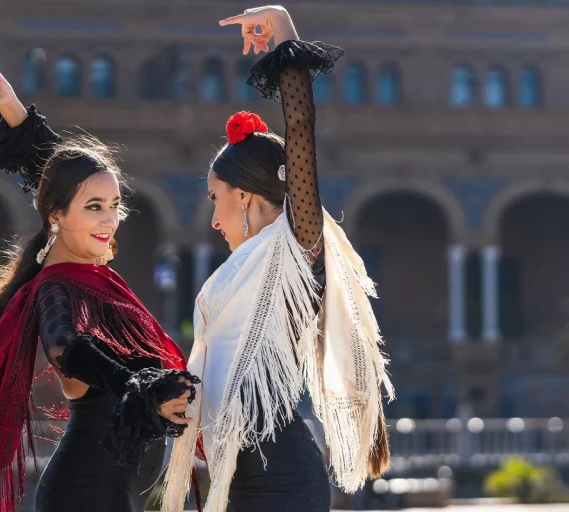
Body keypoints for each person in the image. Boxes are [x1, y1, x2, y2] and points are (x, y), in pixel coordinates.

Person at [0, 56, 199, 512]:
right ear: (56, 216)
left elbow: (60, 176)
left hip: (108, 491)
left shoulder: (95, 281)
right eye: (94, 207)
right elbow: (69, 349)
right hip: (85, 491)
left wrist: (13, 111)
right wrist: (141, 384)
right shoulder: (57, 287)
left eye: (114, 204)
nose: (109, 219)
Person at [161, 6, 395, 512]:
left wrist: (284, 32)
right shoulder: (241, 269)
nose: (213, 218)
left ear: (244, 196)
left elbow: (300, 127)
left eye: (214, 198)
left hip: (282, 475)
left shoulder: (297, 246)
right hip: (241, 470)